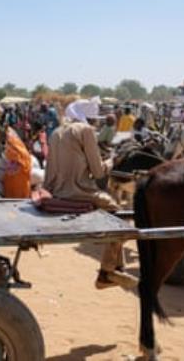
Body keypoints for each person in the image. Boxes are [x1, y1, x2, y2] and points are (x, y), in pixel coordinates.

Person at [44, 108, 137, 290]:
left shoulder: (56, 132)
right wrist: (113, 160)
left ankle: (116, 268)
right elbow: (98, 172)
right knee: (118, 213)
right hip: (78, 192)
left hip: (55, 191)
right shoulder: (85, 131)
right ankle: (106, 271)